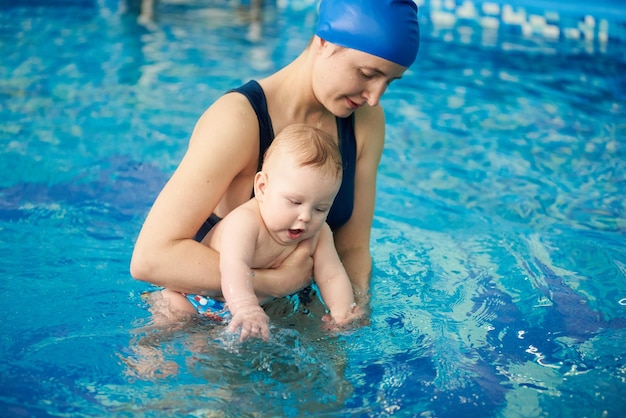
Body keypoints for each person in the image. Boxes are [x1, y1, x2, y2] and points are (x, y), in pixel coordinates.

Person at [130, 0, 420, 319]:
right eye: (367, 74)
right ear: (324, 43)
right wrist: (276, 283)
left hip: (291, 305)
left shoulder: (366, 121)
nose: (375, 96)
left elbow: (352, 247)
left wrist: (356, 309)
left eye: (389, 82)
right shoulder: (237, 121)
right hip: (203, 309)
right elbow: (150, 259)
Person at [160, 124, 360, 341]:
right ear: (262, 187)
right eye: (295, 202)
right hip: (191, 297)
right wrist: (245, 306)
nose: (306, 216)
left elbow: (332, 274)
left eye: (320, 208)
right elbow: (234, 266)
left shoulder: (319, 233)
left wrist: (343, 311)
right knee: (169, 325)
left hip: (245, 308)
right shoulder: (245, 223)